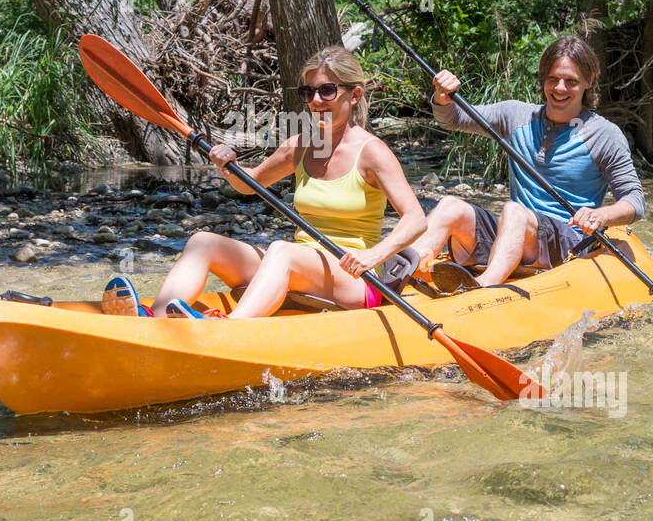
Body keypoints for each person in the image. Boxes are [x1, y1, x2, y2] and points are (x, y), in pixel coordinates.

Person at [102, 46, 427, 319]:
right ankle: (155, 320)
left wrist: (374, 256)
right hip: (302, 264)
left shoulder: (373, 153)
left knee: (282, 251)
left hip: (356, 279)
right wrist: (230, 166)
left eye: (327, 90)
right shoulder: (299, 146)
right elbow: (251, 183)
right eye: (308, 91)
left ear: (354, 95)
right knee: (203, 241)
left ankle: (232, 330)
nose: (316, 100)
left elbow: (415, 219)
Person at [412, 36, 645, 291]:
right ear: (543, 78)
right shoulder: (515, 115)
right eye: (553, 79)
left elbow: (634, 201)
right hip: (513, 236)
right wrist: (443, 98)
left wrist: (601, 215)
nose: (560, 88)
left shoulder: (604, 135)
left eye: (571, 81)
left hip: (569, 243)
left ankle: (483, 289)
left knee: (514, 211)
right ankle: (403, 273)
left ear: (588, 83)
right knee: (449, 206)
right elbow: (453, 119)